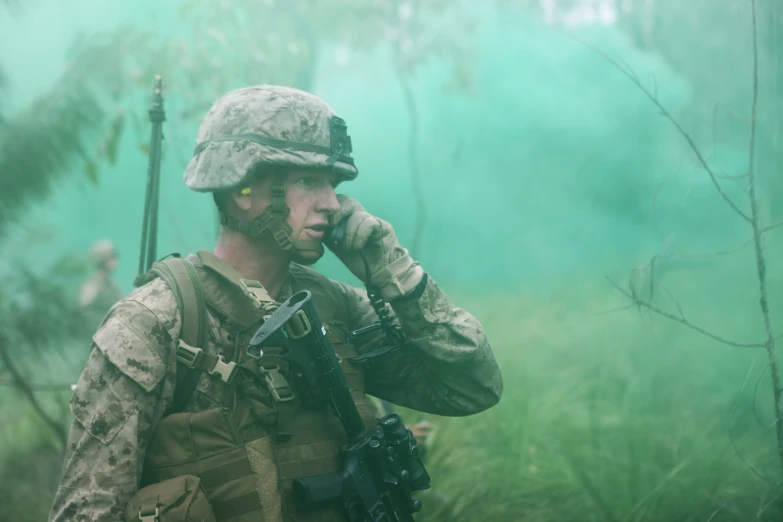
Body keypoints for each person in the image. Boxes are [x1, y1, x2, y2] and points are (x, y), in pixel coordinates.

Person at [49, 85, 502, 522]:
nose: (333, 203)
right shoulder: (153, 324)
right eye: (309, 180)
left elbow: (472, 386)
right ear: (240, 193)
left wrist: (396, 275)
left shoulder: (334, 309)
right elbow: (87, 512)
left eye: (332, 183)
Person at [77, 240, 124, 329]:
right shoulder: (92, 284)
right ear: (102, 260)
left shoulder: (112, 286)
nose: (115, 261)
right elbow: (84, 311)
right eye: (111, 258)